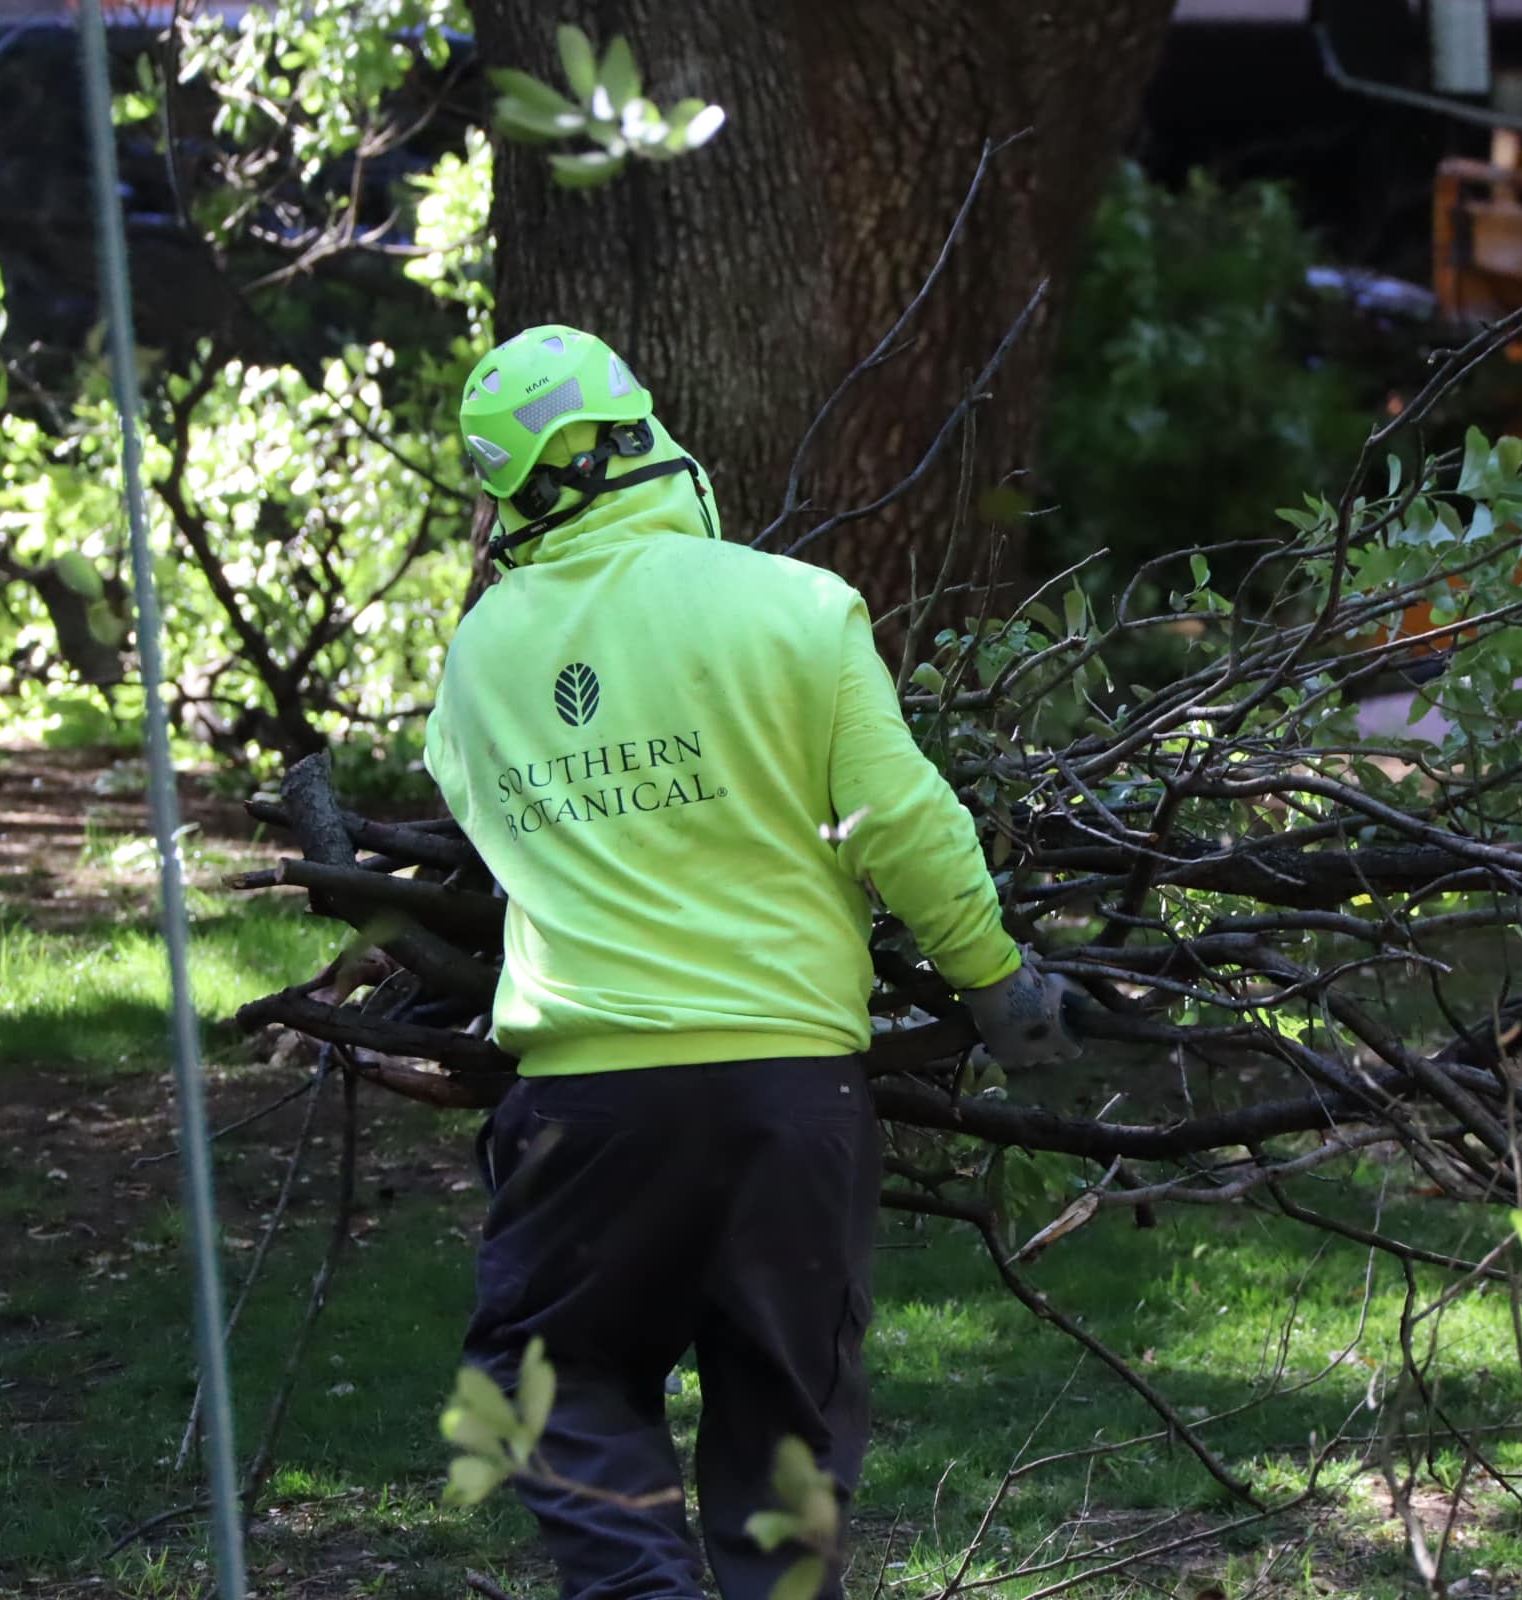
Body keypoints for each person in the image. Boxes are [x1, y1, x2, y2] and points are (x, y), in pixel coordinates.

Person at [423, 324, 1079, 1600]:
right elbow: (905, 827)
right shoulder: (796, 608)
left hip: (587, 1105)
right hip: (790, 1101)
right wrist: (999, 983)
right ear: (643, 433)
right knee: (784, 1433)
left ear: (504, 492)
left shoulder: (478, 655)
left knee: (544, 1375)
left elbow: (487, 826)